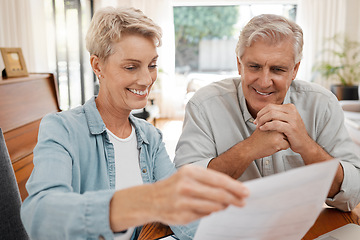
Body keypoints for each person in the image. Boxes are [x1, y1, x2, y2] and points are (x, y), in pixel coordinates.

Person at [20, 7, 249, 240]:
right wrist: (144, 201)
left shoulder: (150, 137)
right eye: (131, 67)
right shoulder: (62, 129)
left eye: (151, 65)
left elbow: (182, 216)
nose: (146, 79)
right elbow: (39, 214)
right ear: (97, 66)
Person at [174, 14, 360, 212]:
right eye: (254, 67)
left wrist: (306, 146)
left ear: (295, 70)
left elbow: (351, 196)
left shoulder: (323, 104)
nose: (264, 82)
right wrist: (249, 149)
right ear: (239, 64)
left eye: (277, 69)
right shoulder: (204, 105)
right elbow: (184, 190)